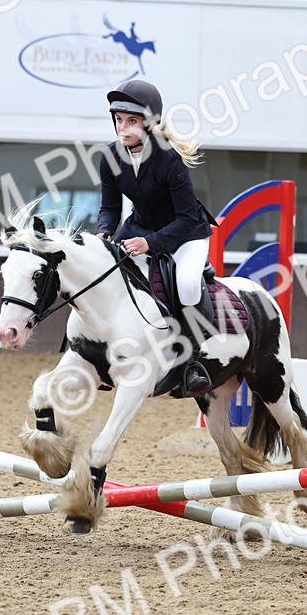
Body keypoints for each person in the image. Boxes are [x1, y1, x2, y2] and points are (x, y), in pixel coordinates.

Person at [96, 79, 216, 397]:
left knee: (187, 283)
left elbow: (187, 217)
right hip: (139, 229)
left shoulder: (168, 159)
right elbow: (109, 208)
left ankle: (192, 363)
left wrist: (150, 243)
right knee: (106, 273)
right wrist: (104, 231)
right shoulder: (110, 157)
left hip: (186, 234)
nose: (122, 127)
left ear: (149, 123)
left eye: (131, 121)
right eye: (118, 119)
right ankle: (102, 351)